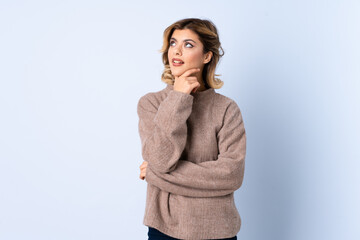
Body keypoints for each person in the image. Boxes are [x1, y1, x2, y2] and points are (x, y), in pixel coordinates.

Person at [137, 18, 246, 240]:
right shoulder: (151, 103)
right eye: (173, 43)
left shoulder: (227, 109)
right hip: (164, 230)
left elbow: (231, 176)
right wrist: (178, 97)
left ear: (207, 56)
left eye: (188, 45)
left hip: (219, 231)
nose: (176, 52)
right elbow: (160, 160)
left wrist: (156, 175)